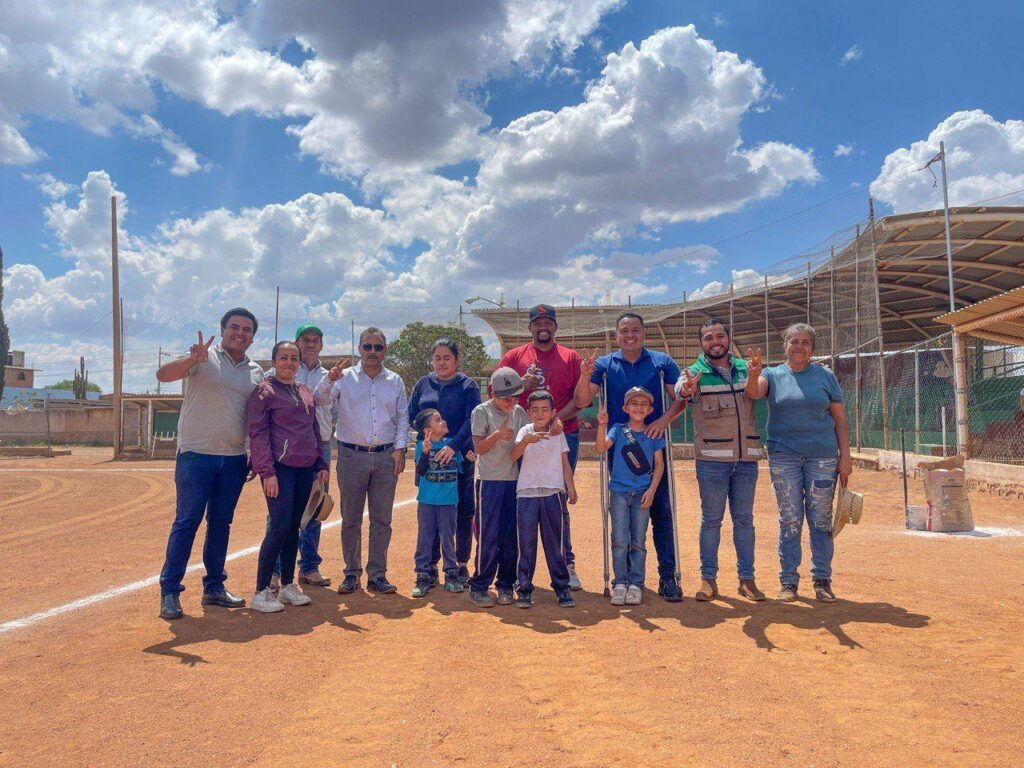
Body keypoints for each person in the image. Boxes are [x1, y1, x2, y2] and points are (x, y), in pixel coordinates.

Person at [156, 308, 265, 620]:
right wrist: (192, 359)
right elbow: (163, 375)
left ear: (252, 337)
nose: (240, 333)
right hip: (195, 456)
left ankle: (214, 587)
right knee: (186, 522)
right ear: (223, 329)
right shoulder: (202, 358)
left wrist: (253, 453)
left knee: (220, 524)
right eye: (234, 327)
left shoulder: (255, 371)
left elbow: (254, 417)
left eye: (246, 329)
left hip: (233, 460)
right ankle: (170, 591)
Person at [573, 311, 687, 602]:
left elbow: (680, 397)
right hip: (619, 448)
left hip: (652, 446)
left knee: (661, 513)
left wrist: (664, 421)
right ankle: (622, 579)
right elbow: (583, 400)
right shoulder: (605, 364)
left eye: (635, 330)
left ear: (643, 333)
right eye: (624, 331)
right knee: (623, 519)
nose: (630, 335)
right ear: (617, 335)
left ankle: (667, 576)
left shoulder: (662, 362)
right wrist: (585, 375)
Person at [744, 323, 853, 603]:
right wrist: (753, 375)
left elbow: (840, 419)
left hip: (823, 456)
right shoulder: (772, 374)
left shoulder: (825, 376)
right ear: (785, 346)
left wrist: (845, 457)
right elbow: (755, 393)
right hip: (784, 456)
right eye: (794, 341)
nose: (799, 346)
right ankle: (789, 581)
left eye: (806, 342)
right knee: (790, 519)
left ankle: (822, 579)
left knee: (820, 519)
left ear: (812, 348)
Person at [676, 319, 766, 603]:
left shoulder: (745, 368)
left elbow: (755, 393)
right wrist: (687, 388)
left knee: (744, 521)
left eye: (719, 336)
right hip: (712, 460)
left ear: (728, 338)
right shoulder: (695, 372)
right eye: (707, 338)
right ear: (701, 343)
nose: (714, 341)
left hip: (746, 460)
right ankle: (708, 579)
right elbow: (683, 391)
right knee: (711, 520)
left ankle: (746, 579)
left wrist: (753, 375)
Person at [315, 327, 409, 595]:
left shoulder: (395, 381)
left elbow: (403, 417)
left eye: (378, 347)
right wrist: (329, 380)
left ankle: (377, 574)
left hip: (385, 457)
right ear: (359, 348)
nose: (372, 352)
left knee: (382, 519)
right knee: (351, 519)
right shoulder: (343, 378)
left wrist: (400, 448)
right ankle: (351, 573)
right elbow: (320, 400)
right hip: (351, 456)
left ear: (385, 350)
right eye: (367, 347)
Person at [497, 304, 584, 590]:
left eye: (547, 321)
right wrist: (520, 384)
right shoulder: (514, 356)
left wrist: (557, 418)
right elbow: (495, 392)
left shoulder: (570, 357)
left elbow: (581, 399)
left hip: (563, 433)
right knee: (522, 497)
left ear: (555, 326)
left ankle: (565, 564)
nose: (542, 326)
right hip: (524, 435)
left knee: (557, 499)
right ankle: (517, 566)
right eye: (537, 322)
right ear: (530, 327)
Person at [247, 341, 330, 613]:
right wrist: (266, 472)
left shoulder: (305, 391)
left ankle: (286, 586)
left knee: (295, 527)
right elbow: (258, 435)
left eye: (294, 358)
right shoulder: (264, 392)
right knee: (279, 526)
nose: (289, 363)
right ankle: (261, 591)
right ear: (274, 361)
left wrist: (320, 462)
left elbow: (313, 430)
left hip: (305, 469)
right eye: (283, 357)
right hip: (279, 470)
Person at [407, 339, 482, 587]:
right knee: (432, 513)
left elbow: (473, 421)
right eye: (437, 358)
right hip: (430, 461)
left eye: (447, 357)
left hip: (458, 457)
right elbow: (412, 417)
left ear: (456, 360)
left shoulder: (468, 386)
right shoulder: (423, 384)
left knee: (461, 511)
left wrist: (453, 446)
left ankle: (459, 564)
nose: (441, 362)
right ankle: (428, 567)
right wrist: (429, 445)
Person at [268, 322, 335, 590]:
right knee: (280, 511)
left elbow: (334, 411)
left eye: (316, 340)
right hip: (285, 448)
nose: (310, 344)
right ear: (296, 343)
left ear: (321, 345)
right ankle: (273, 570)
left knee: (315, 506)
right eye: (305, 339)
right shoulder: (280, 373)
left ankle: (309, 566)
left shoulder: (331, 376)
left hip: (320, 447)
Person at [595, 387, 665, 606]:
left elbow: (659, 465)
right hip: (618, 493)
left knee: (638, 541)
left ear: (650, 409)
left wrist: (652, 491)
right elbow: (600, 448)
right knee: (619, 540)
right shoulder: (617, 429)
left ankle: (636, 584)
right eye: (634, 404)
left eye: (644, 404)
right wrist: (602, 425)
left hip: (642, 494)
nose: (639, 408)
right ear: (626, 408)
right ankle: (620, 583)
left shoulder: (653, 433)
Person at [467, 367, 530, 608]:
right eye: (506, 398)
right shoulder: (481, 412)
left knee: (509, 536)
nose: (511, 402)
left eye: (515, 397)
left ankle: (505, 584)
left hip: (514, 481)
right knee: (488, 535)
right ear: (493, 393)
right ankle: (480, 584)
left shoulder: (519, 412)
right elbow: (479, 448)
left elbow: (527, 438)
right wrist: (497, 435)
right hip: (489, 481)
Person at [510, 390, 578, 609]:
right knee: (526, 544)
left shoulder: (558, 433)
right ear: (529, 413)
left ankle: (562, 588)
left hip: (553, 492)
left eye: (544, 410)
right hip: (527, 493)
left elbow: (565, 462)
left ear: (553, 412)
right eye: (535, 410)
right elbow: (513, 456)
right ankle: (524, 589)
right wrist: (526, 441)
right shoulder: (524, 431)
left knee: (555, 543)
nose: (540, 414)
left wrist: (570, 486)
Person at [411, 409, 464, 597]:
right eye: (437, 420)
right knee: (425, 539)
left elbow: (463, 468)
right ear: (427, 430)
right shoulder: (420, 446)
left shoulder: (452, 446)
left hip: (449, 502)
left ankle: (451, 574)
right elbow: (421, 471)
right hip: (427, 502)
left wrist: (471, 460)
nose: (443, 422)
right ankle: (423, 575)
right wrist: (425, 452)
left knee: (448, 538)